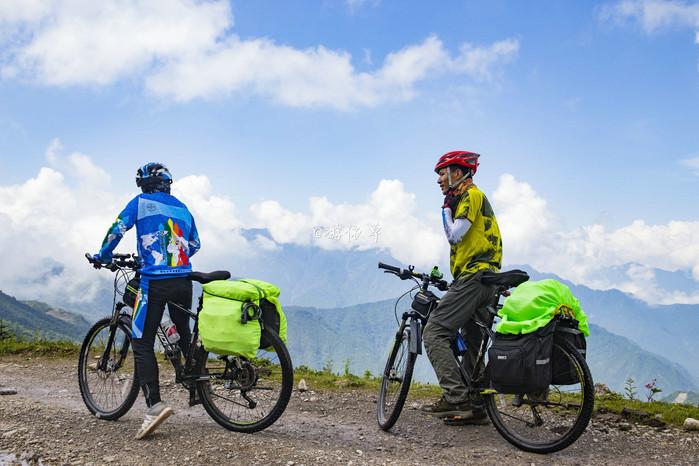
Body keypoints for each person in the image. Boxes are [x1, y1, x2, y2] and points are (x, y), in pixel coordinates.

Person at [92, 162, 200, 439]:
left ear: (143, 184)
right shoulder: (183, 208)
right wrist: (172, 257)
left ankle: (154, 407)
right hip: (183, 279)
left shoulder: (140, 202)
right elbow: (195, 244)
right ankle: (199, 383)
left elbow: (118, 229)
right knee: (184, 331)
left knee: (141, 341)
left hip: (154, 281)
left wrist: (103, 256)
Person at [421, 151, 503, 423]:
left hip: (474, 276)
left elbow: (455, 235)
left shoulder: (471, 196)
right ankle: (475, 406)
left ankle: (456, 398)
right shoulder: (474, 198)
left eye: (442, 173)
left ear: (458, 173)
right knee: (471, 343)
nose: (439, 180)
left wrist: (445, 209)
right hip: (487, 279)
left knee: (434, 332)